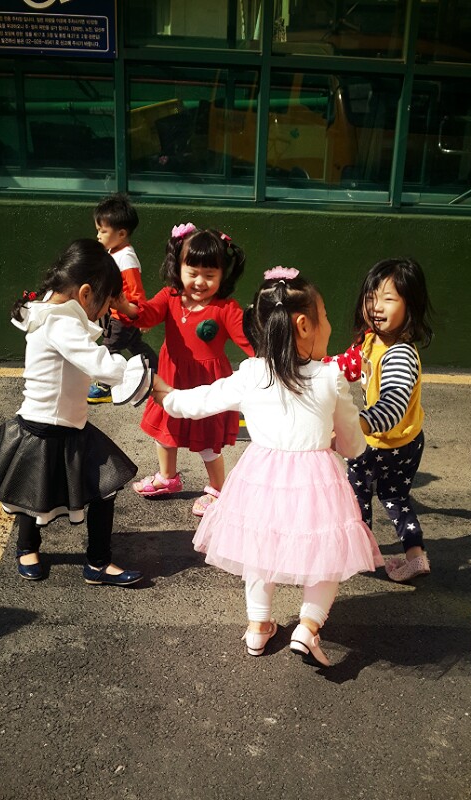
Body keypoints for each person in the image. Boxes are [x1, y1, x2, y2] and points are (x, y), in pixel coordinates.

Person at [152, 267, 383, 663]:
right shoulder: (329, 377)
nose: (329, 325)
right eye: (325, 316)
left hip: (259, 478)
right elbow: (352, 441)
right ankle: (308, 627)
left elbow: (196, 401)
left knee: (259, 547)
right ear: (305, 325)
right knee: (326, 555)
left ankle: (258, 626)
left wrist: (160, 392)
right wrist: (343, 443)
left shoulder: (252, 373)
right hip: (317, 481)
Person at [0, 239, 152, 586]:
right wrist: (144, 377)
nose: (106, 312)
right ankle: (28, 549)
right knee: (32, 491)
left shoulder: (52, 312)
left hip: (71, 426)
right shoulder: (60, 324)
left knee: (102, 488)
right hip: (42, 428)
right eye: (106, 303)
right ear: (85, 293)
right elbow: (98, 362)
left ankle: (97, 563)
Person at [131, 222, 253, 517]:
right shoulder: (170, 297)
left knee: (208, 445)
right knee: (165, 433)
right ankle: (167, 477)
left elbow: (249, 343)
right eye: (193, 272)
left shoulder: (226, 308)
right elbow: (146, 314)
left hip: (207, 386)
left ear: (223, 275)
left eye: (209, 275)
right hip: (171, 380)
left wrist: (276, 362)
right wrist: (124, 305)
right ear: (178, 267)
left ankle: (218, 489)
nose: (200, 282)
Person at [324, 257, 433, 583]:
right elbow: (345, 364)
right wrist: (315, 368)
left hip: (381, 443)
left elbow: (393, 404)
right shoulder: (371, 339)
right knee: (396, 498)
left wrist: (357, 424)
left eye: (388, 298)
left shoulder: (399, 353)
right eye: (371, 297)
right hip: (406, 441)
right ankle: (416, 556)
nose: (376, 306)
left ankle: (360, 552)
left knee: (357, 496)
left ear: (410, 305)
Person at [88, 192, 158, 404]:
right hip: (118, 314)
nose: (98, 235)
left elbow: (136, 291)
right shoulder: (114, 253)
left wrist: (139, 315)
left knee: (109, 348)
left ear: (121, 233)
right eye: (98, 230)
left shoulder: (126, 257)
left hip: (123, 316)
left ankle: (104, 386)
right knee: (135, 345)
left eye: (103, 231)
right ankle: (158, 370)